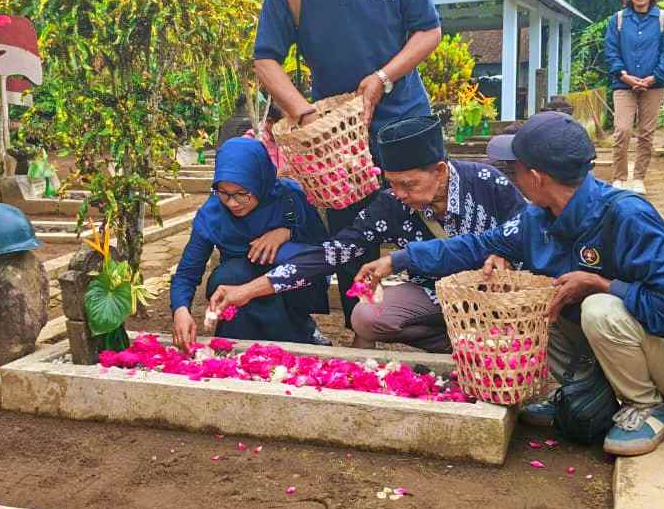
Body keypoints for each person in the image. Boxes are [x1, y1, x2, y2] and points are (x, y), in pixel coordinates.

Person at [353, 113, 664, 456]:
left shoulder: (626, 216)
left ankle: (646, 405)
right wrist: (396, 260)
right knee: (550, 295)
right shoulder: (538, 217)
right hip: (634, 341)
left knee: (597, 306)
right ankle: (577, 390)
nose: (510, 176)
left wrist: (604, 284)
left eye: (514, 169)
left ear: (537, 176)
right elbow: (474, 246)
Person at [253, 0, 443, 328]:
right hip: (337, 139)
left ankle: (437, 315)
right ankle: (362, 322)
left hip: (404, 121)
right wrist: (304, 112)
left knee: (427, 215)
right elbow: (266, 59)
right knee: (348, 234)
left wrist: (382, 78)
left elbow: (428, 32)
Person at [206, 116, 524, 352]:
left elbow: (529, 233)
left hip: (491, 298)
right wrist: (246, 291)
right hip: (432, 293)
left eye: (408, 184)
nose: (397, 193)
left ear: (439, 171)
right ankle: (454, 345)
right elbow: (329, 254)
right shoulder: (390, 205)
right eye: (391, 183)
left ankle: (481, 344)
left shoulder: (487, 183)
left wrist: (505, 254)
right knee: (366, 316)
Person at [170, 138, 328, 349]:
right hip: (237, 287)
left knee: (294, 264)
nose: (233, 203)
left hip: (290, 289)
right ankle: (244, 337)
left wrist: (287, 233)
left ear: (260, 180)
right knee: (228, 276)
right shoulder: (213, 214)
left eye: (242, 194)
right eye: (224, 193)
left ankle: (299, 329)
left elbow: (324, 247)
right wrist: (180, 310)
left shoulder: (289, 198)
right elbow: (187, 272)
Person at [605, 0, 664, 193]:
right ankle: (619, 177)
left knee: (646, 133)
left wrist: (654, 77)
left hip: (653, 85)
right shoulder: (617, 20)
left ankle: (638, 178)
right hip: (623, 84)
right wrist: (624, 75)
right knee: (622, 130)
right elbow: (611, 51)